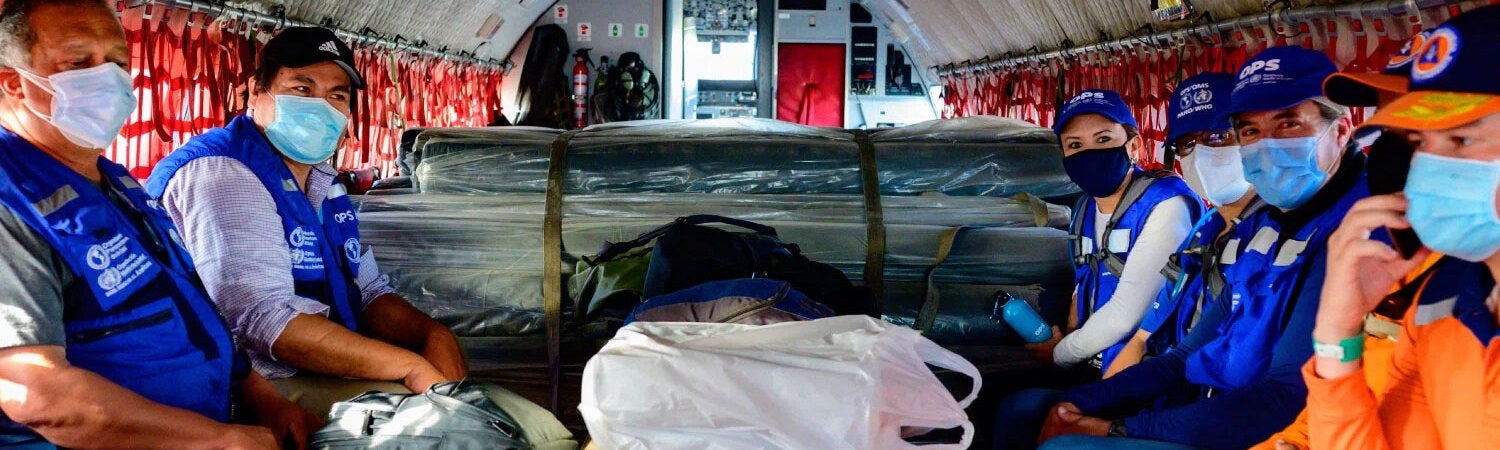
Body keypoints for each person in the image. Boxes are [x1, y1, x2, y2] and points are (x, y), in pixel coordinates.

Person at [994, 46, 1366, 450]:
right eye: (1250, 131)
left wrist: (1114, 429)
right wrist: (1077, 402)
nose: (1265, 146)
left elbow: (1283, 397)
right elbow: (1182, 355)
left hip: (1268, 428)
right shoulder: (1261, 227)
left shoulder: (1356, 232)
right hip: (1202, 399)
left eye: (1288, 123)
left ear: (1342, 131)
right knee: (1029, 411)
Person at [0, 1, 320, 448]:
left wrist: (267, 400)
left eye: (116, 61)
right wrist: (216, 439)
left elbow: (190, 306)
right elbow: (38, 395)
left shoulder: (118, 183)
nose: (108, 77)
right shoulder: (10, 198)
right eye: (79, 62)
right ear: (13, 84)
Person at [144, 27, 466, 417]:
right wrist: (411, 366)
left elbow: (365, 289)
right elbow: (263, 318)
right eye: (301, 89)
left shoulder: (321, 178)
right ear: (255, 93)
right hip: (247, 385)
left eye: (336, 96)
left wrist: (432, 334)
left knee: (484, 410)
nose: (320, 107)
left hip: (316, 362)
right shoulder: (225, 173)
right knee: (422, 419)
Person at [1306, 6, 1500, 448]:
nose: (1428, 169)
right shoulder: (1442, 301)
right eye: (1417, 143)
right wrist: (1337, 330)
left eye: (1461, 139)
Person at [1251, 28, 1434, 450]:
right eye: (1392, 130)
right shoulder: (1405, 257)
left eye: (1425, 131)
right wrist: (1336, 338)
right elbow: (1324, 418)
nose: (1396, 151)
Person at [1026, 89, 1200, 377]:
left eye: (1104, 139)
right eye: (1075, 144)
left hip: (1144, 370)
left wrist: (1059, 354)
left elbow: (1125, 316)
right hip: (1090, 363)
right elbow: (1082, 281)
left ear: (1134, 146)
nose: (1090, 153)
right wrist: (1067, 339)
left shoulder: (1166, 204)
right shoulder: (1083, 209)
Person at [1131, 73, 1265, 366]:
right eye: (1187, 143)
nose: (1201, 155)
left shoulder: (1279, 233)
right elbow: (1144, 336)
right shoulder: (1202, 233)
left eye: (1217, 137)